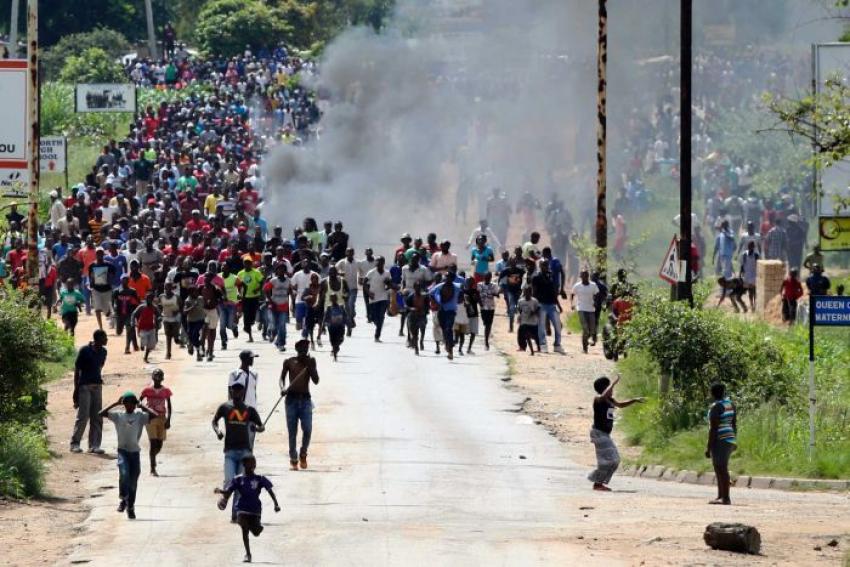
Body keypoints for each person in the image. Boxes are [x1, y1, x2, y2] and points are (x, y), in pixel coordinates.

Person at [100, 391, 158, 519]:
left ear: (135, 404)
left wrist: (142, 406)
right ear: (124, 404)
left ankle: (130, 506)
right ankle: (123, 499)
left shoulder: (140, 416)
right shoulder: (118, 416)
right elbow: (101, 413)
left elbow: (155, 415)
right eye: (127, 403)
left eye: (132, 403)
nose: (130, 406)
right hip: (123, 451)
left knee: (133, 482)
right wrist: (115, 403)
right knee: (124, 473)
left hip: (135, 452)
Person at [212, 382, 265, 522]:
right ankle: (224, 497)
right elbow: (214, 421)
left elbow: (261, 426)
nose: (236, 393)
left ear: (243, 392)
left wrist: (257, 429)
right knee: (230, 480)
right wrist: (218, 431)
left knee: (240, 485)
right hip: (229, 451)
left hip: (245, 453)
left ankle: (235, 513)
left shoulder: (249, 410)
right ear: (230, 391)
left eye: (239, 391)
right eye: (234, 390)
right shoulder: (225, 407)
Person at [217, 455, 281, 564]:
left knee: (256, 532)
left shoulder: (260, 478)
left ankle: (255, 528)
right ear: (244, 465)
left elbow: (270, 490)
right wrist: (221, 492)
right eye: (250, 463)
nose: (253, 465)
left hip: (255, 509)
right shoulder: (238, 479)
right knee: (243, 526)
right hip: (242, 507)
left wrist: (276, 504)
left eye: (254, 463)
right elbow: (229, 491)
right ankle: (248, 554)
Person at [588, 376, 644, 491]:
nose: (612, 390)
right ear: (604, 388)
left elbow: (621, 405)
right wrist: (613, 383)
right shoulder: (598, 399)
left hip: (605, 435)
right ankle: (597, 483)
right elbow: (603, 396)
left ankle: (599, 482)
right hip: (599, 433)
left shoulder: (610, 400)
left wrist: (634, 400)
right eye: (609, 388)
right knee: (608, 460)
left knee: (615, 460)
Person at [279, 339, 320, 470]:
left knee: (307, 430)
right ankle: (293, 457)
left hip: (306, 401)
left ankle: (303, 453)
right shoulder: (289, 362)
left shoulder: (311, 361)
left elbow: (316, 380)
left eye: (306, 349)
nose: (304, 351)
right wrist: (282, 388)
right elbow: (281, 378)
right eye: (301, 349)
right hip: (291, 400)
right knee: (292, 431)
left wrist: (310, 366)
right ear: (297, 350)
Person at [71, 330, 109, 454]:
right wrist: (76, 390)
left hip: (97, 386)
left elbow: (99, 367)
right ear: (98, 339)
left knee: (97, 416)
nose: (106, 340)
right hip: (85, 386)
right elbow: (77, 371)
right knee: (83, 416)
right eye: (104, 338)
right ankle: (75, 443)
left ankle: (94, 445)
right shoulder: (84, 350)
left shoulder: (103, 352)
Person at [706, 383, 736, 505]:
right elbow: (734, 423)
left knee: (721, 468)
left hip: (720, 439)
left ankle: (726, 498)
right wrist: (734, 440)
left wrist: (708, 447)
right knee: (719, 467)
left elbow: (713, 428)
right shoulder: (730, 404)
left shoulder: (715, 407)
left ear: (712, 393)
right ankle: (720, 496)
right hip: (729, 437)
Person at [139, 369, 172, 476]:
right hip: (150, 419)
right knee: (153, 443)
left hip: (162, 417)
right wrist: (145, 409)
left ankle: (152, 457)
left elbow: (169, 406)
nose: (157, 378)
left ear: (162, 378)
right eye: (156, 375)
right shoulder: (147, 390)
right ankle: (152, 468)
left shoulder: (166, 391)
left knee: (159, 444)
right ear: (152, 377)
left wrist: (168, 420)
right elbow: (139, 402)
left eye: (159, 376)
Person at [429, 271, 463, 360]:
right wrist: (435, 302)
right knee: (444, 330)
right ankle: (447, 344)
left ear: (452, 278)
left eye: (449, 277)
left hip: (451, 312)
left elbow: (462, 293)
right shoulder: (439, 286)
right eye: (446, 277)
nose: (447, 278)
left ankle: (450, 351)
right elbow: (431, 293)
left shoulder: (456, 287)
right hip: (441, 311)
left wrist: (460, 299)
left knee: (449, 329)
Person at [363, 256, 392, 342]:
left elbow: (389, 285)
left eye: (380, 262)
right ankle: (378, 325)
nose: (378, 263)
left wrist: (388, 286)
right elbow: (364, 283)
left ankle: (377, 335)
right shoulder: (371, 272)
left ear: (383, 263)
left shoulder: (387, 273)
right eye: (377, 262)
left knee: (381, 316)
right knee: (374, 317)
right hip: (373, 298)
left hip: (383, 297)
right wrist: (368, 293)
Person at [237, 258, 264, 342]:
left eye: (249, 263)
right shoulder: (240, 273)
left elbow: (262, 281)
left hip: (254, 297)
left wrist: (258, 289)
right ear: (243, 264)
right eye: (245, 263)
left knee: (252, 316)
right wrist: (238, 294)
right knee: (246, 316)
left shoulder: (256, 272)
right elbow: (238, 285)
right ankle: (250, 335)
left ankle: (250, 324)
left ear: (251, 264)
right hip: (245, 298)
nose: (247, 265)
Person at [572, 270, 599, 354]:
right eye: (583, 276)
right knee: (585, 328)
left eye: (586, 275)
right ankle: (585, 348)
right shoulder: (577, 286)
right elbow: (572, 294)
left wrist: (595, 302)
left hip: (591, 309)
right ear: (580, 277)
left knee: (592, 329)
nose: (584, 277)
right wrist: (572, 304)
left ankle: (586, 340)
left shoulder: (593, 285)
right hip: (581, 308)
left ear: (588, 276)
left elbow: (597, 294)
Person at [132, 292, 159, 363]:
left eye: (150, 299)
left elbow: (158, 314)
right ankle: (142, 344)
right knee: (144, 341)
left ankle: (145, 357)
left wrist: (159, 319)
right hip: (142, 327)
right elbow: (134, 314)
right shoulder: (142, 307)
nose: (149, 300)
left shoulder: (154, 307)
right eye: (147, 299)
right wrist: (132, 322)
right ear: (145, 299)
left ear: (152, 299)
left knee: (150, 345)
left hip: (151, 327)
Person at [158, 281, 181, 359]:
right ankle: (168, 353)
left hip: (175, 319)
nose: (168, 288)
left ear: (172, 288)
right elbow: (159, 306)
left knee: (175, 338)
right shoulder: (161, 297)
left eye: (169, 287)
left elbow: (182, 306)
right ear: (164, 288)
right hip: (166, 318)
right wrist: (159, 315)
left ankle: (180, 340)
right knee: (168, 336)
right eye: (166, 287)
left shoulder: (176, 297)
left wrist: (177, 311)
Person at [477, 272, 499, 351]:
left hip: (491, 308)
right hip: (483, 308)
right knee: (485, 323)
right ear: (484, 277)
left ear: (490, 277)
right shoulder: (479, 285)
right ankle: (487, 337)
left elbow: (497, 294)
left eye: (489, 277)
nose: (487, 278)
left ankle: (486, 342)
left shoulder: (494, 285)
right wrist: (480, 303)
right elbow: (477, 295)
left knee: (488, 324)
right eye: (486, 277)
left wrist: (495, 294)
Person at [516, 286, 540, 355]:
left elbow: (538, 309)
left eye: (529, 292)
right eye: (526, 292)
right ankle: (524, 347)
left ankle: (538, 347)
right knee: (524, 334)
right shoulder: (521, 301)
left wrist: (534, 312)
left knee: (535, 336)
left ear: (531, 293)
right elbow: (519, 309)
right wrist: (519, 316)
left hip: (533, 322)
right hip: (524, 321)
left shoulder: (534, 301)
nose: (527, 294)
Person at [323, 294, 347, 361]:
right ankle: (335, 355)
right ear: (330, 300)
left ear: (336, 299)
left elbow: (345, 316)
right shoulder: (329, 308)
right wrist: (323, 327)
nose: (333, 300)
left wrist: (348, 324)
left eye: (334, 298)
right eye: (332, 298)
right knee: (333, 342)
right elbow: (325, 318)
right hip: (332, 328)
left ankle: (336, 348)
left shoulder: (341, 307)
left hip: (340, 328)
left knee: (340, 340)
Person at [739, 240, 759, 311]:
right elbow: (742, 265)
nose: (751, 248)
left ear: (753, 247)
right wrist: (740, 275)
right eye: (749, 247)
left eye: (752, 247)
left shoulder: (756, 255)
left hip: (754, 275)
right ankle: (751, 304)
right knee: (750, 291)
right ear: (748, 247)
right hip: (747, 275)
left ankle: (755, 304)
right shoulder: (744, 255)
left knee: (754, 291)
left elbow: (759, 266)